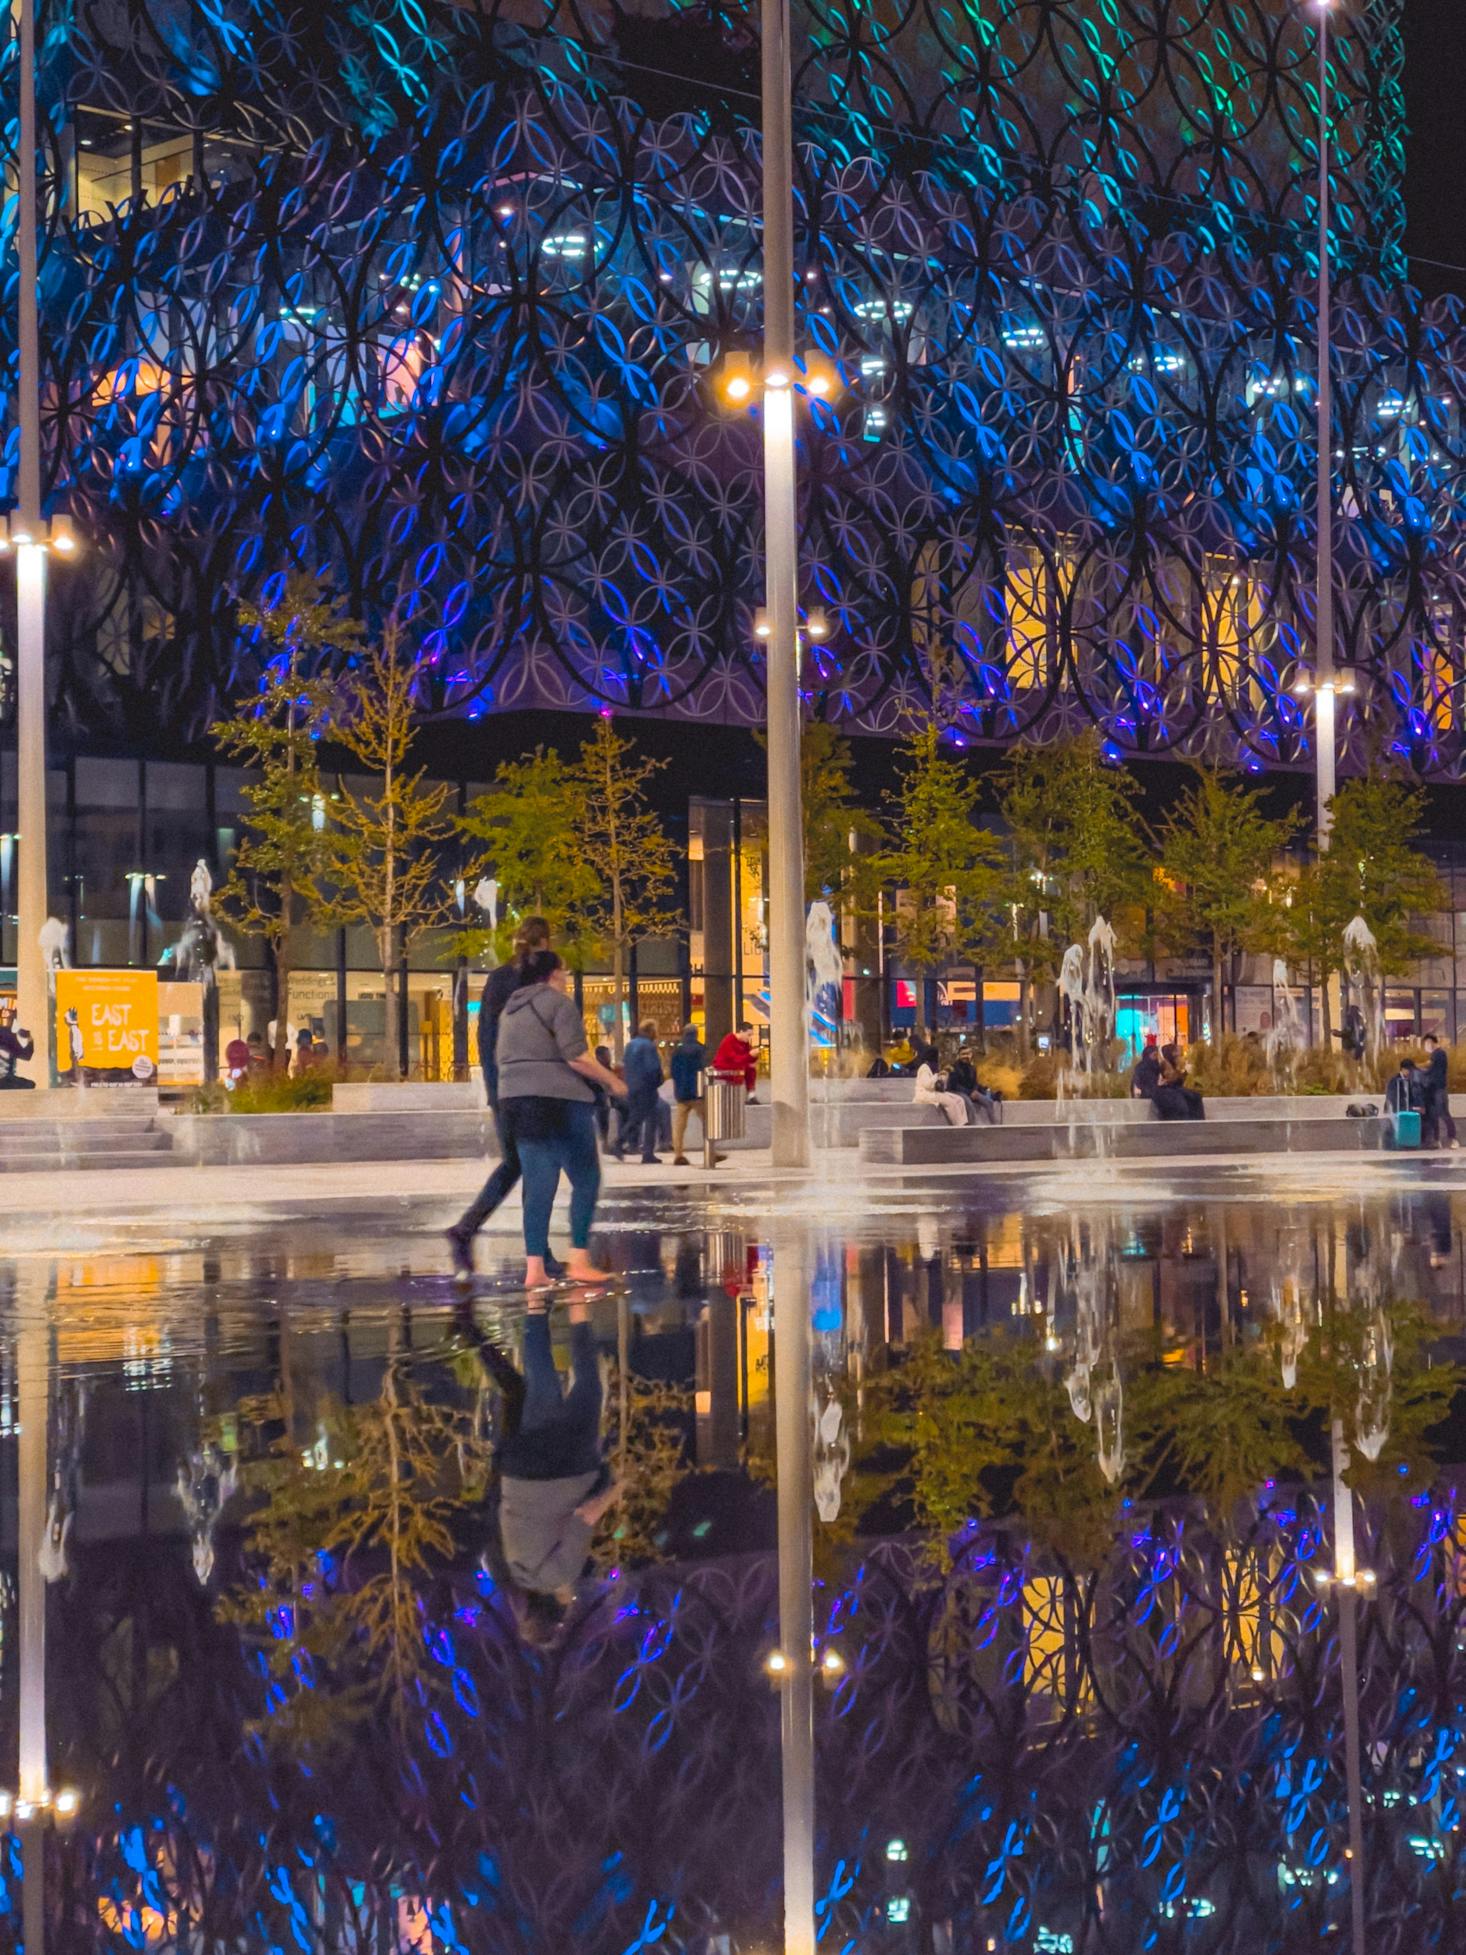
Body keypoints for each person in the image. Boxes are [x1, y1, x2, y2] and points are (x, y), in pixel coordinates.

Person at [497, 950, 627, 1287]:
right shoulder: (559, 1004)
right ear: (554, 974)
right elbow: (577, 1057)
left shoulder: (510, 1010)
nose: (566, 978)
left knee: (538, 1184)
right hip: (558, 1102)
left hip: (515, 1101)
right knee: (586, 1177)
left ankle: (535, 1270)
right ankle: (579, 1260)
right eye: (564, 972)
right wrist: (611, 1081)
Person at [494, 1297, 622, 1638]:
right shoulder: (514, 1568)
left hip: (568, 1465)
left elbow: (586, 1515)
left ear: (559, 1606)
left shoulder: (560, 1575)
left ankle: (578, 1309)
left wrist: (621, 1487)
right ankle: (535, 1307)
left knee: (589, 1388)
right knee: (542, 1384)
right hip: (521, 1466)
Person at [446, 918, 552, 1284]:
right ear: (545, 943)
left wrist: (494, 1087)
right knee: (530, 1164)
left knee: (518, 1164)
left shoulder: (499, 979)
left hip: (503, 1087)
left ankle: (467, 1229)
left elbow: (485, 1039)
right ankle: (533, 1252)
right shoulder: (527, 983)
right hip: (520, 1089)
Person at [617, 1021, 664, 1164]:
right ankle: (647, 1153)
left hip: (632, 1086)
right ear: (651, 1031)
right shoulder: (649, 1046)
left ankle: (619, 1143)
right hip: (646, 1087)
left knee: (636, 1117)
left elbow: (625, 1065)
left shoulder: (630, 1045)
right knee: (651, 1117)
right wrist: (659, 1080)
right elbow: (652, 1068)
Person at [670, 1024, 711, 1163]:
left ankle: (678, 1154)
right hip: (697, 1093)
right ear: (696, 1034)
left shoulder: (677, 1051)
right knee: (708, 1122)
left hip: (681, 1093)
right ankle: (711, 1151)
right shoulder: (700, 1049)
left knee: (679, 1126)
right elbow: (705, 1069)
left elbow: (673, 1072)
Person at [911, 1041, 971, 1126]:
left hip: (935, 1091)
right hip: (925, 1094)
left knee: (959, 1100)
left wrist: (944, 1076)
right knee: (951, 1102)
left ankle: (964, 1123)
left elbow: (941, 1085)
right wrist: (937, 1075)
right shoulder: (924, 1068)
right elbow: (927, 1085)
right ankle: (958, 1125)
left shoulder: (934, 1067)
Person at [946, 1048, 1001, 1124]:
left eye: (968, 1054)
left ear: (971, 1055)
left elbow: (975, 1082)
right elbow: (954, 1085)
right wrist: (969, 1093)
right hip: (957, 1092)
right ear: (959, 1055)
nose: (966, 1056)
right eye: (963, 1054)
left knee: (988, 1102)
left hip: (971, 1091)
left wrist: (975, 1090)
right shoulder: (953, 1068)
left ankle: (994, 1125)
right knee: (969, 1105)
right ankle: (972, 1128)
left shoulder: (973, 1068)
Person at [1421, 1034, 1458, 1148]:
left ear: (1432, 1042)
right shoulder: (1435, 1055)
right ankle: (1436, 1140)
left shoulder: (1439, 1054)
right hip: (1433, 1089)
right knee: (1434, 1115)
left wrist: (1418, 1068)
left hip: (1439, 1089)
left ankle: (1452, 1139)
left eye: (1427, 1043)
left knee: (1443, 1113)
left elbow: (1431, 1069)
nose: (1426, 1046)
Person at [1153, 1043, 1204, 1120]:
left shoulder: (1176, 1064)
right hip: (1171, 1091)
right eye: (1175, 1051)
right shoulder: (1166, 1064)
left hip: (1177, 1090)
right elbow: (1170, 1079)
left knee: (1195, 1097)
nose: (1178, 1053)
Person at [712, 1024, 758, 1095]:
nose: (749, 1038)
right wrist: (750, 1055)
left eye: (751, 1035)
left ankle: (751, 1094)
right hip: (724, 1068)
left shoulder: (745, 1043)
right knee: (747, 1067)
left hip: (735, 1067)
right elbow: (736, 1059)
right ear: (741, 1031)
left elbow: (746, 1059)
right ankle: (750, 1094)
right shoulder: (729, 1040)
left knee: (750, 1068)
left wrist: (754, 1057)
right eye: (748, 1035)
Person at [0, 1005, 36, 1089]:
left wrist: (28, 1038)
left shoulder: (7, 1034)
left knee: (28, 1085)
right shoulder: (6, 1034)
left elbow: (26, 1055)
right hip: (5, 1080)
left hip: (6, 1080)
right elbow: (26, 1055)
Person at [1130, 1036, 1162, 1101]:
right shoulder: (1141, 1067)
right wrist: (1146, 1089)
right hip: (1146, 1095)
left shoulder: (1157, 1066)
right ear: (1148, 1055)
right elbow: (1137, 1081)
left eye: (1156, 1055)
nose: (1156, 1058)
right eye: (1154, 1055)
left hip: (1156, 1094)